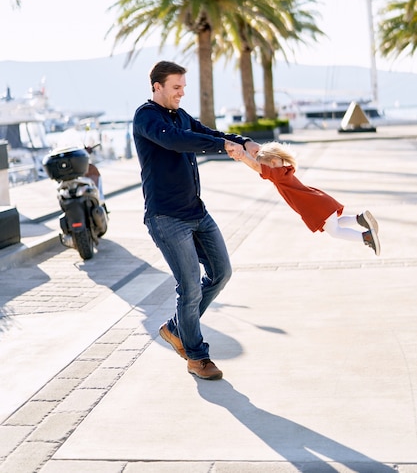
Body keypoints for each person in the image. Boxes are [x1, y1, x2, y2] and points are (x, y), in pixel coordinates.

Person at [133, 61, 259, 380]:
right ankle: (197, 356)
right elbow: (176, 141)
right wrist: (221, 146)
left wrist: (241, 141)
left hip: (196, 212)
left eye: (183, 87)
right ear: (157, 87)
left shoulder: (181, 116)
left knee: (221, 273)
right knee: (189, 287)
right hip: (166, 218)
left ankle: (176, 328)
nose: (181, 92)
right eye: (176, 87)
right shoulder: (146, 117)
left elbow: (207, 133)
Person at [233, 140, 380, 256]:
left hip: (315, 205)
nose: (262, 172)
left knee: (335, 232)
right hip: (318, 201)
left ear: (272, 163)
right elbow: (257, 165)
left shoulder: (276, 175)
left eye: (263, 166)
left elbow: (255, 166)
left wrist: (243, 156)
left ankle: (366, 237)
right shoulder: (283, 172)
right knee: (332, 225)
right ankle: (359, 219)